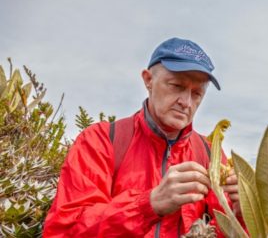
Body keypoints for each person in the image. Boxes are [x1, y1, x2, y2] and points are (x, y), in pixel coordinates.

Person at [43, 38, 242, 237]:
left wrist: (241, 213)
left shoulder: (209, 151)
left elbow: (221, 231)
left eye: (197, 93)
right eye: (176, 86)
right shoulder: (99, 141)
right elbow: (64, 231)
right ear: (148, 80)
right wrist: (149, 204)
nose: (186, 102)